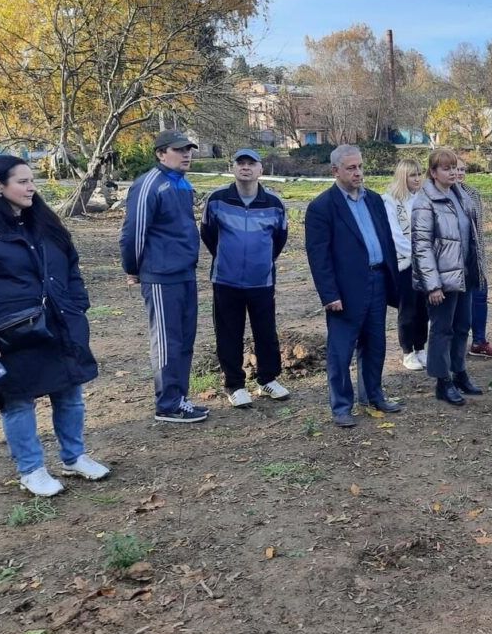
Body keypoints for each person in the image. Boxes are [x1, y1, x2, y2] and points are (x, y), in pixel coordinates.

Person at [0, 156, 110, 496]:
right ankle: (31, 469)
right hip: (13, 332)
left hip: (60, 323)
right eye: (22, 181)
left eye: (32, 180)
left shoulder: (44, 222)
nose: (31, 187)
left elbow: (71, 265)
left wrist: (77, 303)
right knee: (18, 401)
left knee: (70, 392)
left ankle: (74, 457)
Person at [304, 145, 403, 427]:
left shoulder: (373, 200)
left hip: (378, 280)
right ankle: (341, 406)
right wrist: (329, 294)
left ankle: (373, 395)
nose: (358, 172)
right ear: (335, 170)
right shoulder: (322, 207)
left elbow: (386, 241)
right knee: (341, 349)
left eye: (360, 166)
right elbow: (318, 256)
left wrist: (392, 280)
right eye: (351, 168)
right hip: (345, 290)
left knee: (376, 344)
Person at [120, 130, 206, 423]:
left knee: (184, 338)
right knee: (168, 340)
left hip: (185, 272)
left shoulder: (182, 184)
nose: (186, 154)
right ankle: (167, 403)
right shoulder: (149, 185)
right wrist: (132, 268)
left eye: (189, 150)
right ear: (160, 153)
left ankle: (180, 398)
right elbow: (133, 231)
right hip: (160, 275)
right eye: (179, 150)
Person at [200, 148, 291, 408]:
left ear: (261, 169)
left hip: (261, 281)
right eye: (240, 163)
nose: (246, 168)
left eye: (252, 163)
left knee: (265, 332)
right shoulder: (217, 199)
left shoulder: (274, 203)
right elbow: (208, 235)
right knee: (229, 332)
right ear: (233, 168)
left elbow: (279, 239)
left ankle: (267, 380)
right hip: (226, 281)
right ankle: (235, 385)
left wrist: (260, 260)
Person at [410, 148, 487, 406]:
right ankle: (443, 382)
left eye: (455, 167)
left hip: (464, 275)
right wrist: (432, 285)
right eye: (446, 168)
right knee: (442, 330)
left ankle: (459, 372)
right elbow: (421, 246)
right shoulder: (425, 201)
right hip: (441, 280)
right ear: (433, 172)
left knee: (463, 325)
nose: (453, 172)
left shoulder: (461, 195)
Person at [382, 158, 428, 371]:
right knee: (407, 308)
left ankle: (421, 347)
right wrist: (416, 254)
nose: (417, 178)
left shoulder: (425, 198)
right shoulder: (391, 201)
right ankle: (407, 351)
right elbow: (395, 234)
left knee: (424, 307)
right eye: (412, 175)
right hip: (406, 263)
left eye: (419, 174)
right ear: (403, 177)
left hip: (426, 262)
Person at [455, 157, 492, 358]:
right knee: (457, 306)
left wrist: (481, 258)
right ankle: (455, 345)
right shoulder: (437, 196)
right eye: (456, 169)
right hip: (454, 261)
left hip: (475, 257)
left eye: (463, 169)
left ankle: (479, 341)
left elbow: (479, 230)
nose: (460, 173)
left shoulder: (473, 193)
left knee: (480, 297)